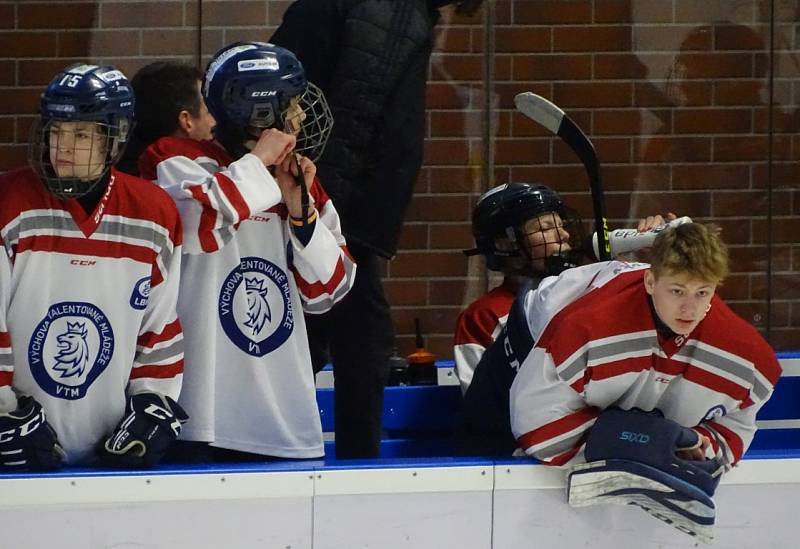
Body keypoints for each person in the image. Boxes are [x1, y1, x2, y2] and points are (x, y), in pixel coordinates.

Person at [271, 0, 485, 459]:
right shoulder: (389, 13)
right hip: (319, 208)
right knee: (339, 341)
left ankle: (319, 459)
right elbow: (274, 88)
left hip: (336, 210)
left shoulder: (410, 16)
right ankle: (325, 461)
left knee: (350, 342)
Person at [137, 42, 354, 460]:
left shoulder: (300, 179)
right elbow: (199, 227)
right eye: (291, 104)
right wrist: (257, 164)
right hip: (199, 414)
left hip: (282, 417)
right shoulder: (175, 159)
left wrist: (300, 214)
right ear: (262, 112)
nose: (302, 115)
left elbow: (330, 290)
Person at [0, 64, 187, 470]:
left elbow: (159, 330)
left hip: (109, 451)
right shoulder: (8, 203)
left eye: (80, 135)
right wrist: (2, 412)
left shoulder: (153, 213)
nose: (62, 147)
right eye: (55, 132)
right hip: (15, 449)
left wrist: (152, 403)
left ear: (113, 139)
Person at [508, 222, 781, 468]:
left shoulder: (744, 353)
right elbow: (535, 426)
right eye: (677, 291)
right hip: (527, 334)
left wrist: (698, 444)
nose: (689, 308)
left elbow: (736, 427)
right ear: (650, 282)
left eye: (702, 293)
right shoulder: (586, 329)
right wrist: (640, 440)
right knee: (487, 434)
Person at [455, 182, 674, 455]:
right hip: (523, 455)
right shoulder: (483, 315)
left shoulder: (593, 293)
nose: (563, 235)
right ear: (504, 243)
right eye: (545, 228)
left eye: (561, 225)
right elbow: (486, 408)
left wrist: (663, 262)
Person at [116, 62, 216, 176]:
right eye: (210, 111)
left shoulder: (118, 176)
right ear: (186, 121)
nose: (217, 121)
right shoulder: (189, 183)